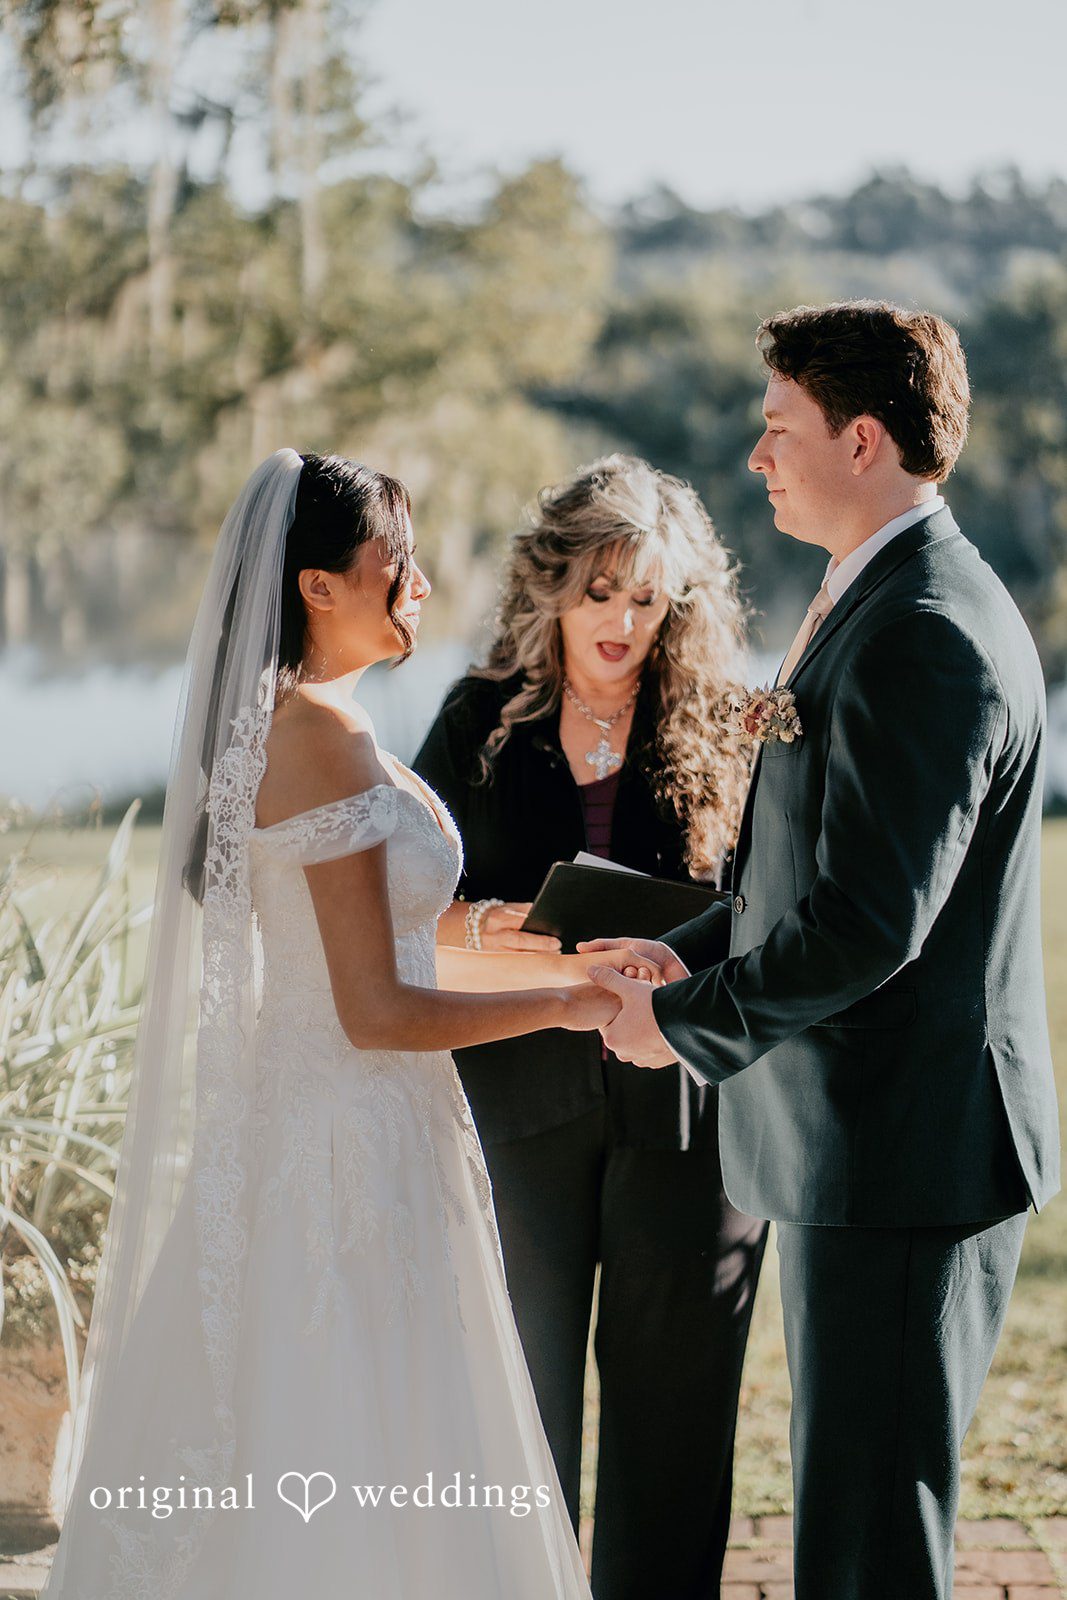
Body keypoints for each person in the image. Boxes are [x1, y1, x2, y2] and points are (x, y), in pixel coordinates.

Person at [41, 450, 656, 1600]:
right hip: (342, 1153)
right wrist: (572, 1007)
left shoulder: (322, 724)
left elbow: (398, 942)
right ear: (317, 586)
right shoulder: (318, 738)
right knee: (352, 1432)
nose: (418, 582)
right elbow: (374, 1010)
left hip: (361, 1132)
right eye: (395, 560)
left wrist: (564, 950)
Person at [584, 303, 1061, 1600]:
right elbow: (807, 870)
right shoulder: (877, 595)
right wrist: (682, 954)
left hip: (908, 1151)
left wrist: (681, 1025)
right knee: (850, 1513)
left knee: (868, 1540)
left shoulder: (925, 630)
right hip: (864, 1145)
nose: (755, 457)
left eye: (776, 427)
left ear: (860, 440)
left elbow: (868, 922)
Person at [413, 453, 768, 1600]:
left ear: (680, 602)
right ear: (552, 582)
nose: (620, 622)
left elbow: (771, 912)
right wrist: (534, 942)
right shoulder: (475, 721)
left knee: (675, 1420)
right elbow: (405, 917)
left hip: (688, 1114)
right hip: (513, 1110)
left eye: (646, 597)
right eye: (599, 591)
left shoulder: (729, 725)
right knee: (511, 1410)